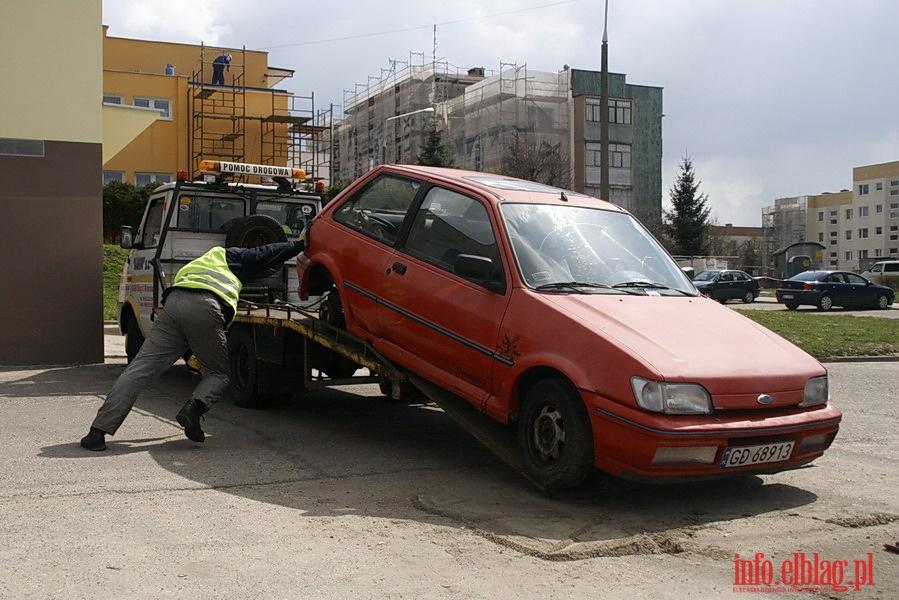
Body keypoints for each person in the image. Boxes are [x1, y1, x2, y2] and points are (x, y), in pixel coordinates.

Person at [80, 240, 305, 451]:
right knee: (220, 372)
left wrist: (191, 353)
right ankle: (194, 409)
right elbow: (268, 252)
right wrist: (299, 245)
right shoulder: (232, 256)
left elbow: (188, 331)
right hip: (205, 307)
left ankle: (97, 432)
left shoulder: (196, 265)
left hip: (173, 305)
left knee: (138, 370)